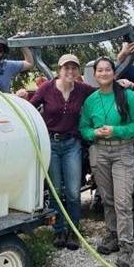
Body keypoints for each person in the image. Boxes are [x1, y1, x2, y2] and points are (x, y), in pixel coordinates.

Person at [79, 56, 134, 267]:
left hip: (121, 150)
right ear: (95, 75)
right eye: (100, 70)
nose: (104, 73)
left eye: (108, 70)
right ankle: (113, 235)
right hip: (98, 151)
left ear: (114, 73)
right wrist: (93, 132)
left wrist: (116, 130)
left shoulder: (127, 96)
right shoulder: (91, 100)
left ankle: (127, 247)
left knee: (123, 200)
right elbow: (83, 128)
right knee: (107, 198)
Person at [28, 54, 96, 251]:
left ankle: (73, 231)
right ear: (59, 70)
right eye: (66, 68)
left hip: (72, 144)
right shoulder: (46, 88)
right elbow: (30, 108)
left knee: (74, 192)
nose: (70, 71)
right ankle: (58, 230)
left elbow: (103, 92)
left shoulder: (83, 89)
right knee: (56, 191)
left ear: (78, 71)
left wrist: (121, 84)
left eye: (74, 68)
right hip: (51, 144)